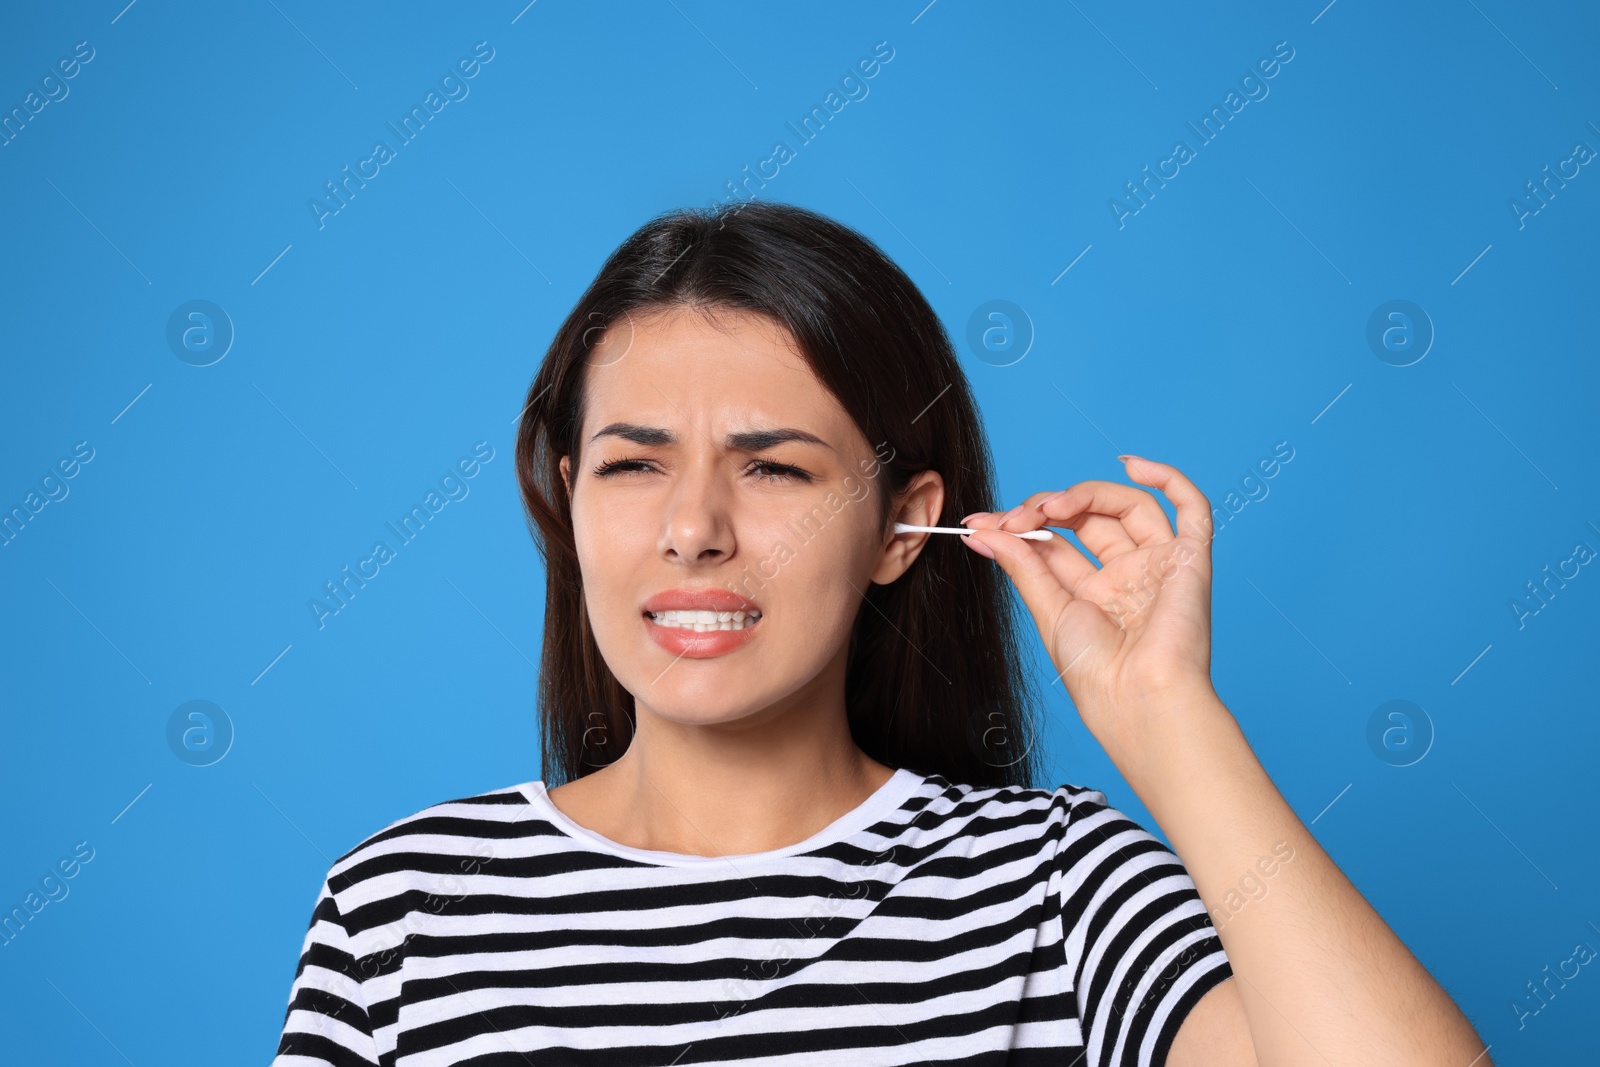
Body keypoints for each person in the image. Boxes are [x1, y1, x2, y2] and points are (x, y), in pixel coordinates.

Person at [271, 201, 1490, 1066]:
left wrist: (1165, 715)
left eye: (776, 470)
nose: (692, 529)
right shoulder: (406, 906)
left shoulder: (1053, 889)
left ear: (903, 528)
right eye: (633, 463)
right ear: (568, 495)